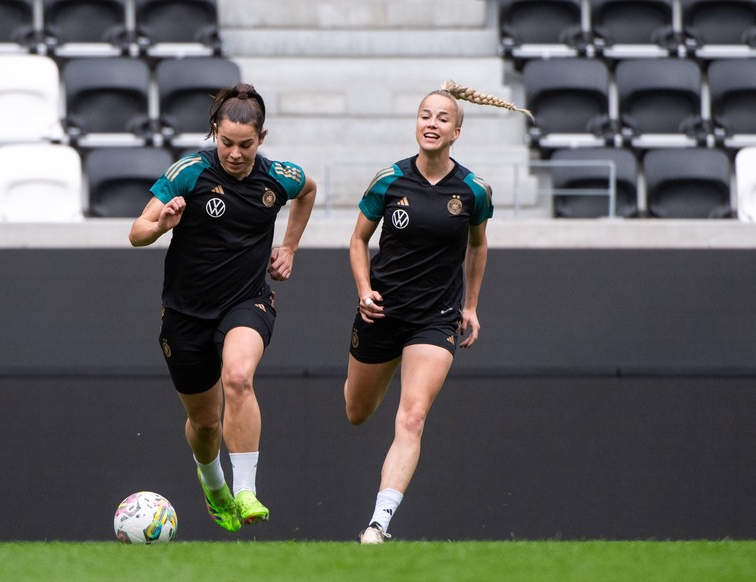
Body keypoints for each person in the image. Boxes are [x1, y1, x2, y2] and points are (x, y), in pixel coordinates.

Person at [344, 81, 531, 544]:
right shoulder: (389, 180)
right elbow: (357, 241)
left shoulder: (473, 190)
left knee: (412, 416)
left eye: (442, 118)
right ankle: (382, 368)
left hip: (436, 317)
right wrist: (364, 290)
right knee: (357, 411)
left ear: (457, 132)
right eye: (425, 115)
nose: (432, 123)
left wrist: (470, 306)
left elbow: (479, 245)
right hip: (382, 312)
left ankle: (377, 524)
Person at [129, 83, 316, 533]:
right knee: (205, 422)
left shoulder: (279, 177)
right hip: (185, 313)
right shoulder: (189, 172)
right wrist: (162, 224)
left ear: (262, 138)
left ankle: (246, 489)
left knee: (237, 376)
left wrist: (289, 247)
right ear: (215, 132)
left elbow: (308, 190)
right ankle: (214, 487)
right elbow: (136, 232)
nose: (234, 153)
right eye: (227, 142)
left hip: (247, 300)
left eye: (245, 145)